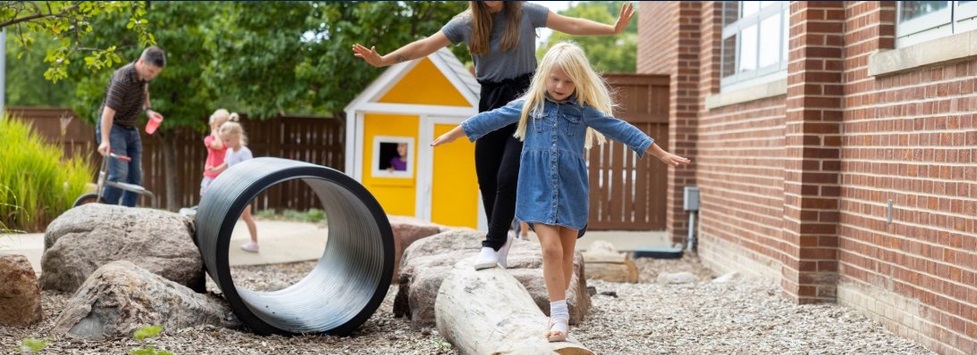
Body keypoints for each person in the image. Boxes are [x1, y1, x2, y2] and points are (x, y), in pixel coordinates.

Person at [432, 41, 691, 342]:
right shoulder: (530, 105)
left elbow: (620, 129)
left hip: (571, 189)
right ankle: (558, 317)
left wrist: (660, 153)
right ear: (544, 76)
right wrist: (454, 134)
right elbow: (490, 118)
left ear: (578, 82)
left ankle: (559, 311)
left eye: (568, 81)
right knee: (551, 249)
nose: (560, 86)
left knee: (567, 255)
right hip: (537, 187)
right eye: (555, 79)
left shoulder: (583, 112)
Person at [353, 1, 635, 271]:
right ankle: (501, 241)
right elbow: (426, 45)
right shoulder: (465, 23)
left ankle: (493, 242)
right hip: (490, 99)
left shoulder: (527, 13)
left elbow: (570, 23)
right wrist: (383, 60)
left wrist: (612, 29)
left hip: (527, 100)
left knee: (508, 175)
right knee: (486, 176)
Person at [95, 46, 166, 207]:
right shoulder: (122, 79)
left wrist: (148, 111)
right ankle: (106, 214)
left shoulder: (144, 78)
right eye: (150, 71)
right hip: (113, 128)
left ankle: (126, 215)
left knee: (135, 177)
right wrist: (105, 140)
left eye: (155, 73)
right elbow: (107, 112)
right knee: (119, 174)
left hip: (131, 130)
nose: (152, 75)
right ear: (141, 62)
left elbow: (145, 93)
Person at [219, 121, 260, 253]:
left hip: (244, 189)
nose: (226, 143)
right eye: (224, 141)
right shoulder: (229, 152)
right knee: (230, 215)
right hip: (233, 189)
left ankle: (254, 243)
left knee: (246, 216)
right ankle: (223, 241)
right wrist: (215, 170)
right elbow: (226, 165)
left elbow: (250, 169)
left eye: (228, 140)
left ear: (237, 136)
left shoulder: (244, 152)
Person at [201, 110, 237, 197]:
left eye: (223, 126)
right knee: (207, 199)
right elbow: (219, 145)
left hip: (224, 176)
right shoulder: (208, 139)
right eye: (219, 126)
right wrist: (214, 132)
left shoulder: (228, 142)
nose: (221, 128)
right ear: (213, 125)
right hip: (211, 176)